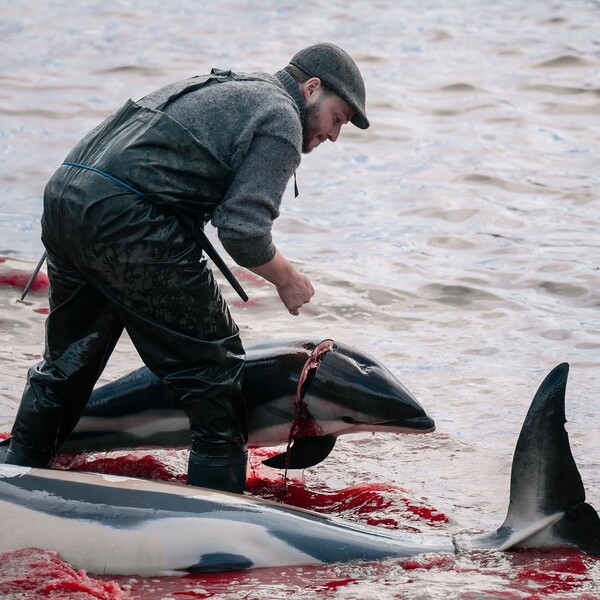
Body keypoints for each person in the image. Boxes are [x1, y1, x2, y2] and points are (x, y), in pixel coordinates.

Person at [5, 42, 369, 493]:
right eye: (339, 118)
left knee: (68, 363)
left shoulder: (233, 86)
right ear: (311, 88)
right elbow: (242, 231)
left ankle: (17, 479)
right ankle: (218, 519)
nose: (335, 135)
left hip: (67, 195)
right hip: (129, 216)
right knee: (215, 372)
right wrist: (288, 280)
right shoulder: (279, 117)